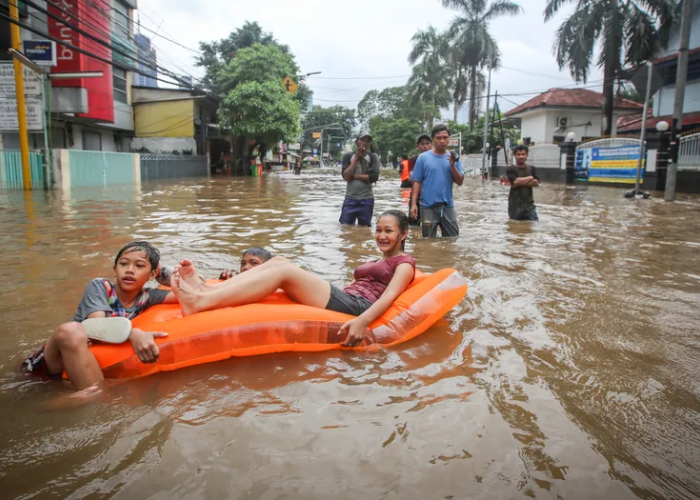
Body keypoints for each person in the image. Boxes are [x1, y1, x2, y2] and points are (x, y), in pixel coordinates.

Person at [170, 210, 416, 347]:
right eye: (379, 230)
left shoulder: (404, 263)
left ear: (403, 233)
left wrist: (362, 322)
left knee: (283, 271)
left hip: (358, 307)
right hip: (347, 297)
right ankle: (204, 289)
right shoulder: (378, 261)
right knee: (278, 262)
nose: (381, 236)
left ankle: (201, 302)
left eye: (388, 231)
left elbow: (389, 296)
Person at [22, 242, 176, 390]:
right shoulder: (100, 287)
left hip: (83, 366)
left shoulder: (147, 297)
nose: (129, 270)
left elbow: (196, 297)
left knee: (93, 393)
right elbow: (95, 327)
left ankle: (87, 394)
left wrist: (167, 276)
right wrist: (133, 333)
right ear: (115, 268)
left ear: (152, 274)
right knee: (71, 330)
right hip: (48, 365)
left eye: (139, 265)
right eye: (123, 264)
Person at [410, 124, 464, 238]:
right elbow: (417, 181)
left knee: (452, 239)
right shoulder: (423, 158)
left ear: (449, 138)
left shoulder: (454, 157)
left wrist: (453, 166)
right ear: (433, 140)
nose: (442, 141)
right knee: (428, 241)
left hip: (447, 206)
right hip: (427, 207)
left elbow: (460, 182)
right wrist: (414, 204)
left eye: (445, 137)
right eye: (439, 138)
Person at [339, 131, 380, 226]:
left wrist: (355, 176)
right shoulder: (348, 156)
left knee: (365, 229)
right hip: (350, 199)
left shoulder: (373, 157)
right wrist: (356, 158)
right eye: (362, 140)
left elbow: (374, 177)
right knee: (345, 227)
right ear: (357, 142)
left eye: (367, 141)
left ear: (370, 144)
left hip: (366, 199)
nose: (364, 143)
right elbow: (345, 176)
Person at [506, 145, 540, 221]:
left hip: (529, 205)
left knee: (533, 224)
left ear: (527, 155)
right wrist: (529, 178)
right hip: (514, 205)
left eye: (523, 154)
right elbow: (514, 183)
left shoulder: (531, 169)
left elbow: (536, 183)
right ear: (514, 155)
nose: (521, 157)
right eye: (518, 154)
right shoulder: (510, 169)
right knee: (515, 227)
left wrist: (518, 182)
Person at [407, 133, 433, 226]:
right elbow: (412, 177)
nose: (425, 146)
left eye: (427, 143)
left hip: (432, 198)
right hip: (416, 196)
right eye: (422, 144)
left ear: (431, 144)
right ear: (417, 146)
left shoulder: (436, 159)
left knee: (431, 225)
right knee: (413, 225)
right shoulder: (413, 160)